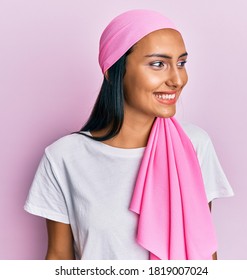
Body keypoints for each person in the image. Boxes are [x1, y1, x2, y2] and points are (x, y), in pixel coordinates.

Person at [24, 9, 234, 260]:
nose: (177, 80)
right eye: (158, 64)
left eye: (181, 63)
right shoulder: (64, 157)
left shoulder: (194, 145)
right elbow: (59, 258)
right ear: (113, 71)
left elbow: (203, 250)